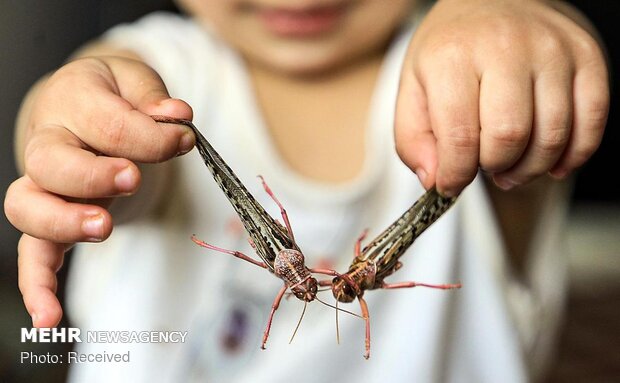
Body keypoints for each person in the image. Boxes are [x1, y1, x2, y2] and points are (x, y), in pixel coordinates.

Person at [4, 0, 609, 382]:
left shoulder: (456, 71)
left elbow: (530, 69)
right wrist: (71, 130)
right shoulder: (165, 66)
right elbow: (91, 90)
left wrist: (503, 16)